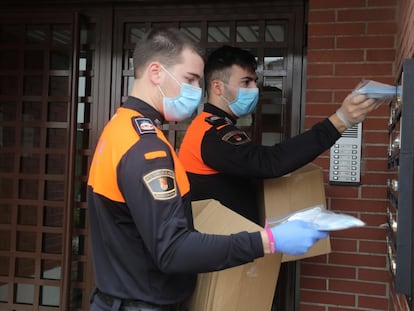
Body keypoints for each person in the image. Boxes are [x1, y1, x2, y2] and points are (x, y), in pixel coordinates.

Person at [87, 28, 328, 311]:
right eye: (189, 79)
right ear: (156, 72)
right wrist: (267, 241)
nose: (195, 90)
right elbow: (173, 251)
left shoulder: (120, 128)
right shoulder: (147, 148)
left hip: (122, 297)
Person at [178, 45, 380, 225]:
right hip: (219, 251)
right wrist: (339, 121)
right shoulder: (212, 134)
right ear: (217, 87)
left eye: (254, 82)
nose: (254, 89)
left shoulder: (217, 126)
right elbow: (270, 162)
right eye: (246, 82)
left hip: (229, 243)